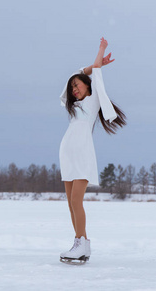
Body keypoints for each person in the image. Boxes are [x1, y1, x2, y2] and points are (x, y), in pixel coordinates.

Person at [59, 37, 126, 263]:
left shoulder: (93, 97)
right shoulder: (73, 105)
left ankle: (80, 242)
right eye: (72, 88)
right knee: (70, 203)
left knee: (77, 201)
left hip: (83, 154)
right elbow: (74, 74)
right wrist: (86, 69)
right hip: (67, 153)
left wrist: (101, 50)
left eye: (77, 85)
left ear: (87, 84)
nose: (74, 89)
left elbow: (92, 70)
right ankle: (82, 244)